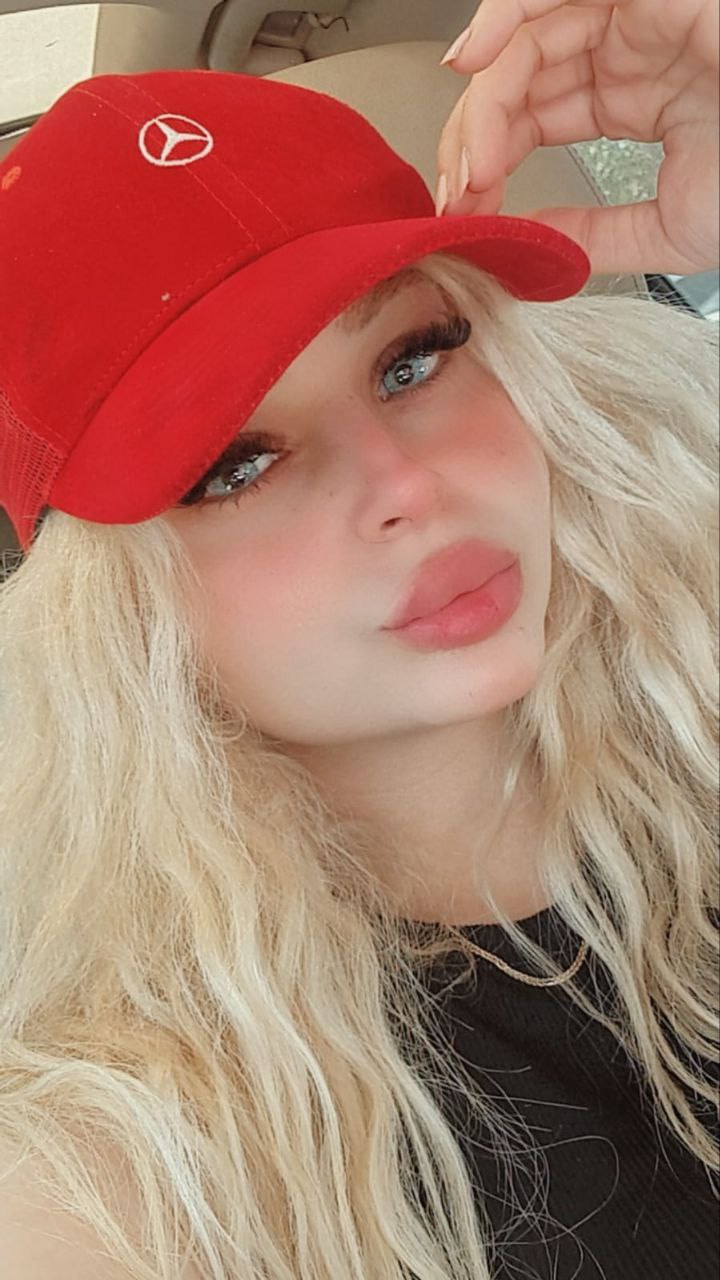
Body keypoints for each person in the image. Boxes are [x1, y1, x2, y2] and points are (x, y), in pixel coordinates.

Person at [0, 1, 717, 1277]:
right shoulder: (162, 1154)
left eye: (413, 359)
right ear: (110, 609)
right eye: (235, 464)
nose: (403, 483)